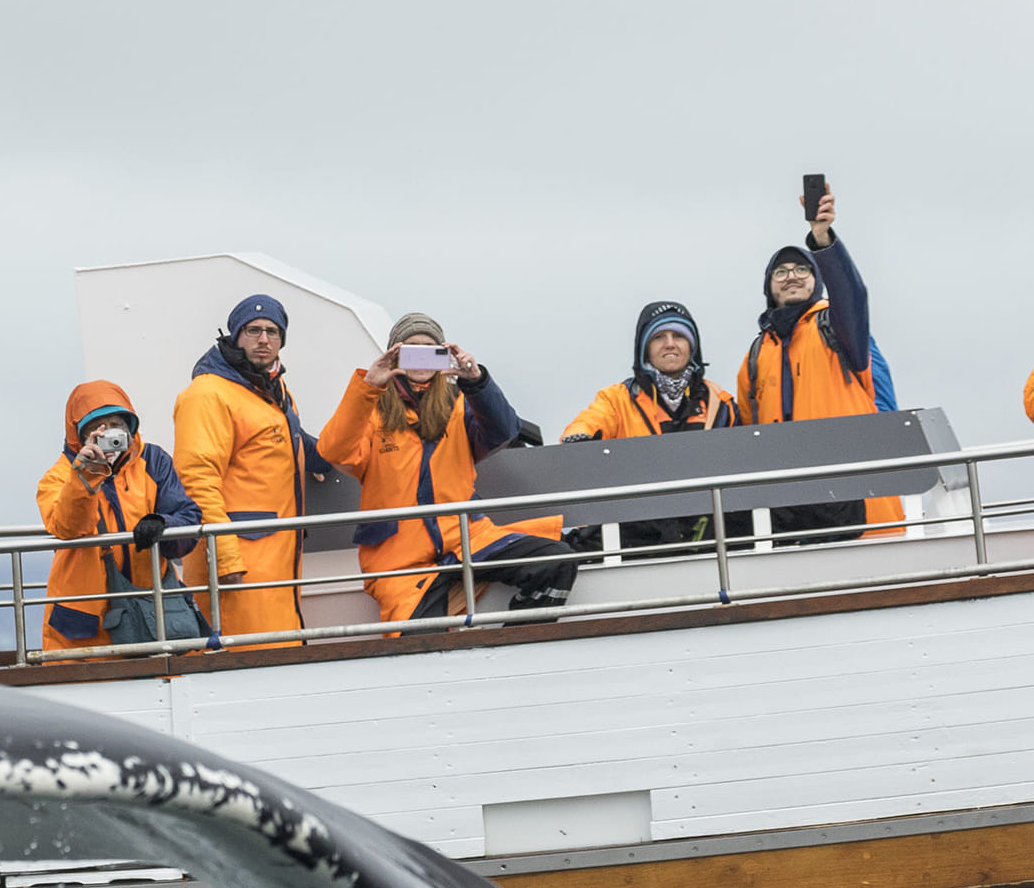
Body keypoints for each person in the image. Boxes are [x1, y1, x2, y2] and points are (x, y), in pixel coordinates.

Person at [318, 313, 576, 626]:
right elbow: (333, 451)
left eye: (430, 349)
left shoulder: (461, 403)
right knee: (418, 639)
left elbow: (504, 431)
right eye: (411, 349)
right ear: (393, 355)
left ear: (443, 355)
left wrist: (476, 381)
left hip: (468, 539)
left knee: (556, 561)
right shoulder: (372, 409)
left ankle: (518, 645)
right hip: (400, 560)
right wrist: (369, 385)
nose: (421, 356)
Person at [737, 189, 904, 542]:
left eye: (801, 268)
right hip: (792, 527)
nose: (791, 276)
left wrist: (822, 239)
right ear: (769, 286)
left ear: (817, 280)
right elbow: (748, 439)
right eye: (780, 272)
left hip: (863, 517)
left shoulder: (838, 328)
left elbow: (853, 296)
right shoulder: (753, 358)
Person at [172, 294, 309, 645]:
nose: (264, 340)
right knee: (247, 659)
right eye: (253, 330)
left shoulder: (274, 391)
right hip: (240, 565)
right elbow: (197, 480)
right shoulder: (207, 394)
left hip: (277, 560)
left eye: (272, 332)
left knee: (280, 653)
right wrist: (226, 558)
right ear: (235, 335)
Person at [562, 301, 745, 551]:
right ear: (645, 349)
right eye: (659, 337)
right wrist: (578, 438)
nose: (670, 343)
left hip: (707, 531)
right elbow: (588, 422)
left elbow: (742, 459)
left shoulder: (720, 403)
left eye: (679, 335)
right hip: (640, 529)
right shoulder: (617, 398)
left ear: (692, 346)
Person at [39, 380, 203, 653]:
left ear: (130, 427)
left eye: (115, 423)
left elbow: (187, 517)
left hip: (151, 613)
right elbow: (67, 527)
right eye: (96, 428)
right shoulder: (59, 476)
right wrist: (87, 472)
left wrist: (162, 525)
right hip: (85, 624)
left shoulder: (154, 461)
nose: (108, 434)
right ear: (80, 435)